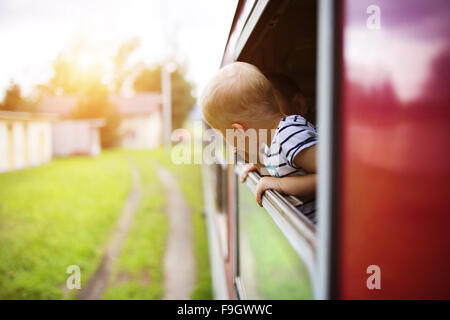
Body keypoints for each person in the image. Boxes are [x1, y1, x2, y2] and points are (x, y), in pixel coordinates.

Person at [200, 62, 317, 222]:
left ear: (239, 132)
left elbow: (335, 175)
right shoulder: (273, 143)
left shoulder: (289, 135)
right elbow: (290, 166)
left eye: (227, 138)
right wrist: (261, 164)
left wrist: (281, 185)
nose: (232, 146)